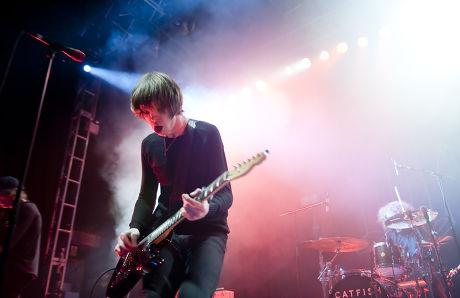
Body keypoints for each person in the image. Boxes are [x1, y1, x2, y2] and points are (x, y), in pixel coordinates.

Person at [114, 71, 233, 298]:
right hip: (164, 234)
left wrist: (206, 209)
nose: (150, 118)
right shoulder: (149, 145)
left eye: (153, 109)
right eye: (144, 113)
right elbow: (146, 197)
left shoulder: (206, 134)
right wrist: (135, 228)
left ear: (172, 103)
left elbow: (226, 195)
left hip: (207, 234)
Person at [377, 200, 450, 297]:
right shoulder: (389, 234)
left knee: (436, 282)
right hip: (399, 271)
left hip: (419, 266)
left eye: (394, 217)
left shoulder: (414, 229)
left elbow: (426, 244)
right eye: (389, 218)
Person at [0, 176, 42, 298]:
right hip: (16, 265)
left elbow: (10, 240)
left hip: (20, 267)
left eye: (1, 196)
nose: (0, 201)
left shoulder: (28, 209)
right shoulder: (15, 211)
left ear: (12, 193)